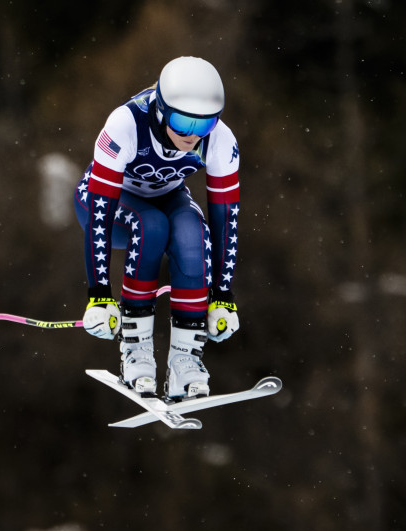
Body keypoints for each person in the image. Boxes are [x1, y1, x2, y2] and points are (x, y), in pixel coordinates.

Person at [75, 56, 241, 401]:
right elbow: (100, 214)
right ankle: (136, 352)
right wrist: (99, 295)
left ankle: (186, 359)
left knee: (191, 230)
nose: (191, 136)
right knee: (150, 225)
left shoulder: (221, 140)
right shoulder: (126, 124)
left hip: (167, 197)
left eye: (204, 125)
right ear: (163, 110)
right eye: (181, 122)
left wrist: (224, 298)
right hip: (107, 203)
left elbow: (226, 220)